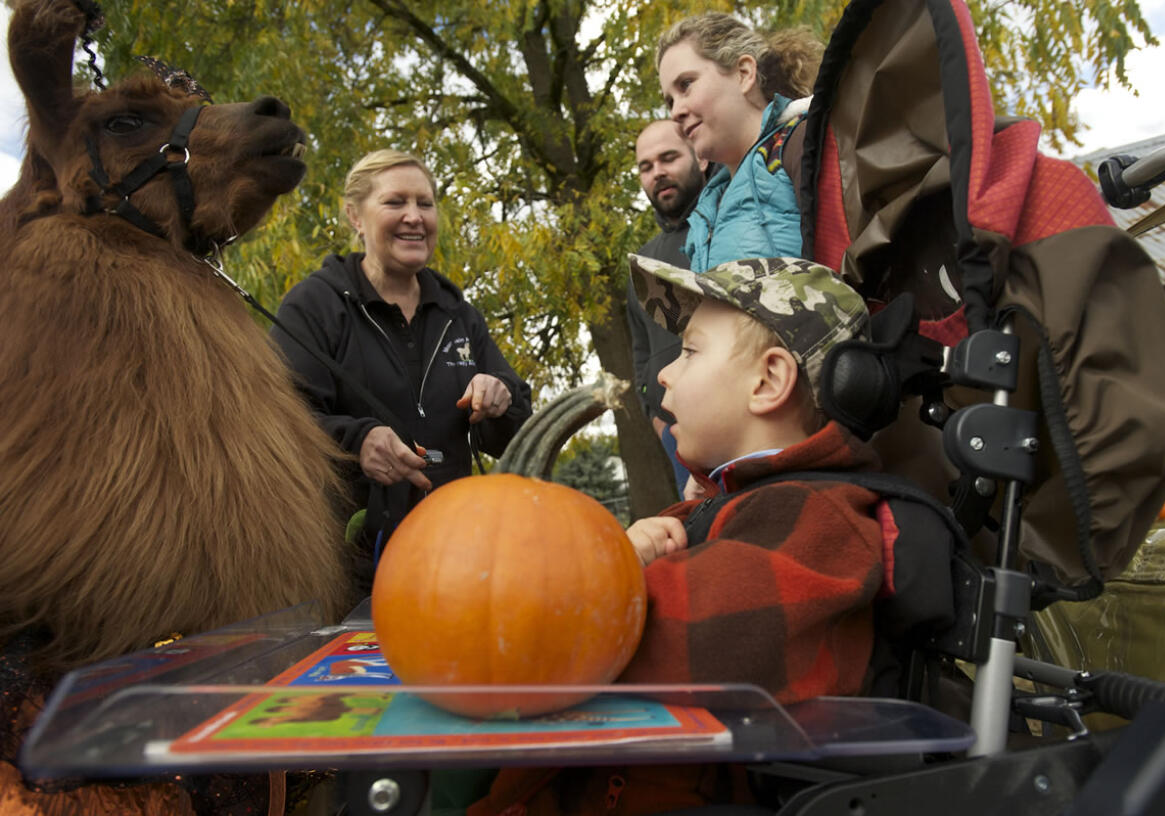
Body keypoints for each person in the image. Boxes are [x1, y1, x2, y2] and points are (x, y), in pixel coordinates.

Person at [469, 255, 885, 815]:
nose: (662, 372)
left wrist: (615, 563)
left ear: (768, 381)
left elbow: (665, 641)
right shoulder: (722, 504)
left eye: (689, 351)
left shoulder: (819, 521)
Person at [271, 149, 532, 587]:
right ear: (355, 216)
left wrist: (501, 398)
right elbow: (279, 424)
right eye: (395, 203)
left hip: (457, 558)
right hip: (345, 567)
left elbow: (511, 436)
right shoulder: (315, 306)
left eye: (425, 204)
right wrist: (358, 441)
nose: (414, 217)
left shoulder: (458, 314)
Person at [656, 13, 822, 271]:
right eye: (669, 101)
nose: (675, 112)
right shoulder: (706, 209)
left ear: (744, 74)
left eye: (686, 84)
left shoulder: (804, 144)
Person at [628, 119, 708, 498]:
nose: (657, 172)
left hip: (738, 421)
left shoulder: (727, 227)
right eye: (646, 166)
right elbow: (641, 353)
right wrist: (657, 421)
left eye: (668, 158)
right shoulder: (642, 263)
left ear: (698, 156)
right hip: (676, 436)